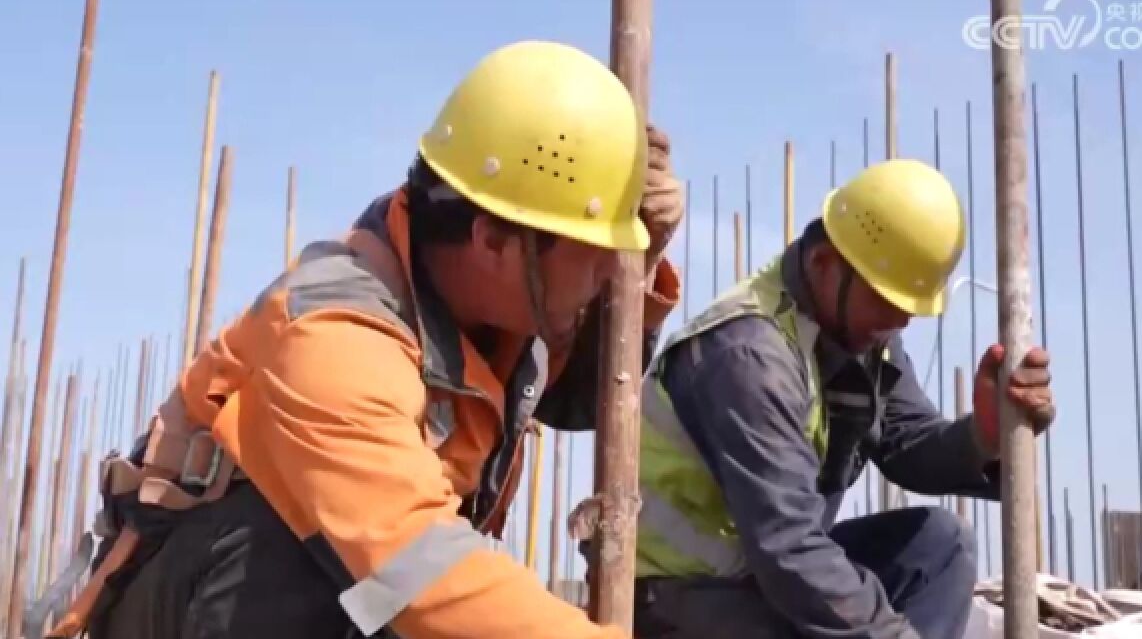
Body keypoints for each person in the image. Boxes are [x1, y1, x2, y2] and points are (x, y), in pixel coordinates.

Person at [51, 40, 685, 639]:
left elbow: (577, 398)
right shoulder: (333, 339)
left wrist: (643, 260)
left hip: (338, 592)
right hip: (200, 602)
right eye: (598, 254)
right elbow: (426, 575)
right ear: (493, 240)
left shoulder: (491, 301)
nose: (611, 273)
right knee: (317, 558)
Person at [631, 159, 1055, 639]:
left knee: (940, 544)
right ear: (823, 264)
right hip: (678, 595)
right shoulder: (749, 354)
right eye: (885, 301)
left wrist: (984, 437)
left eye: (908, 309)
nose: (899, 322)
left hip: (760, 573)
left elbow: (907, 441)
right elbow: (787, 546)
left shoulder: (859, 326)